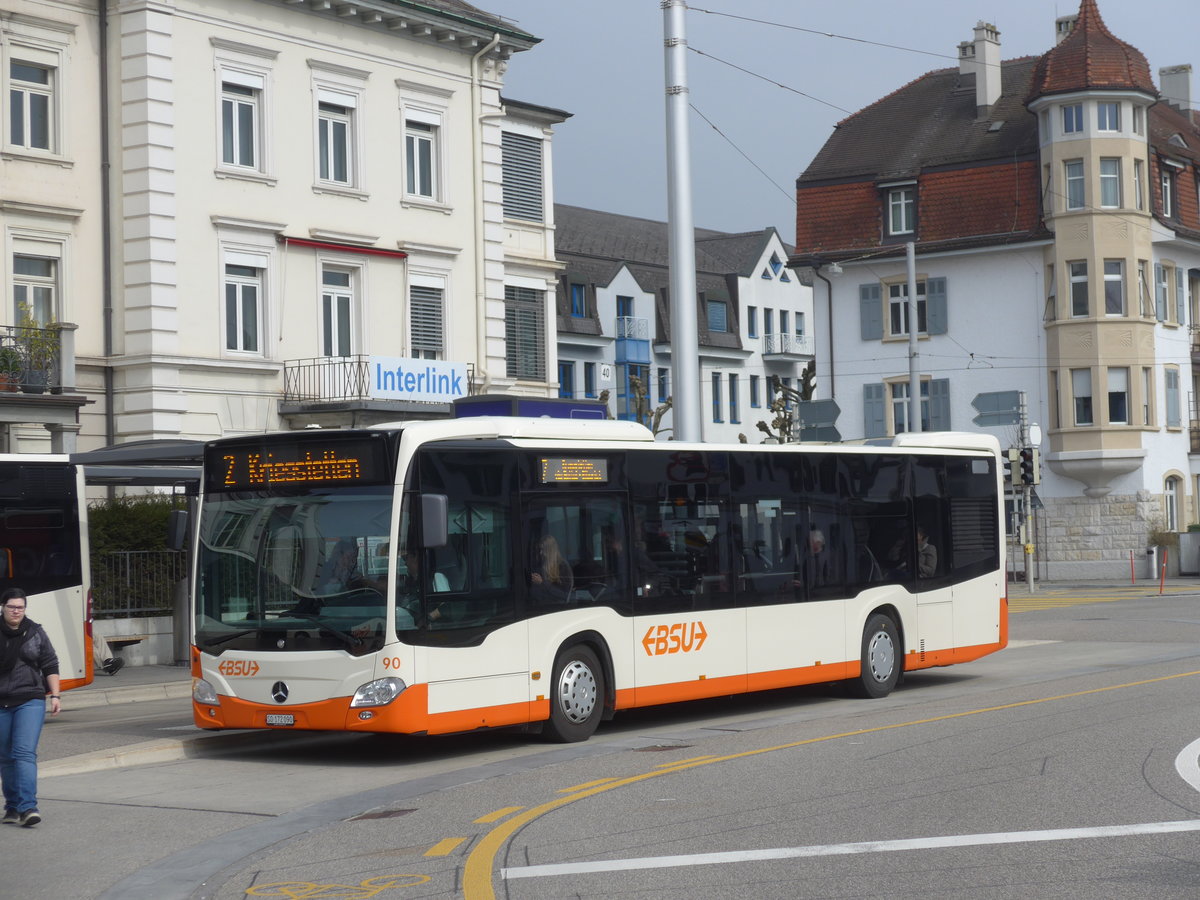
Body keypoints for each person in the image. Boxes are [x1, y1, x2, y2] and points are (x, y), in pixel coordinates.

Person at [0, 588, 60, 828]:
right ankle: (12, 806)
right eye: (12, 606)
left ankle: (28, 807)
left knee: (24, 752)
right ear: (2, 607)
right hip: (1, 701)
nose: (16, 611)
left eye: (21, 607)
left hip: (30, 699)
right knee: (5, 756)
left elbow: (50, 663)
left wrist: (55, 695)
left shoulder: (35, 631)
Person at [530, 534, 573, 604]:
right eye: (540, 550)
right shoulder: (541, 565)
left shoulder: (562, 566)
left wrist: (542, 583)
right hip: (541, 606)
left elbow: (565, 595)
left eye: (543, 550)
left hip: (556, 608)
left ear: (550, 551)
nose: (541, 553)